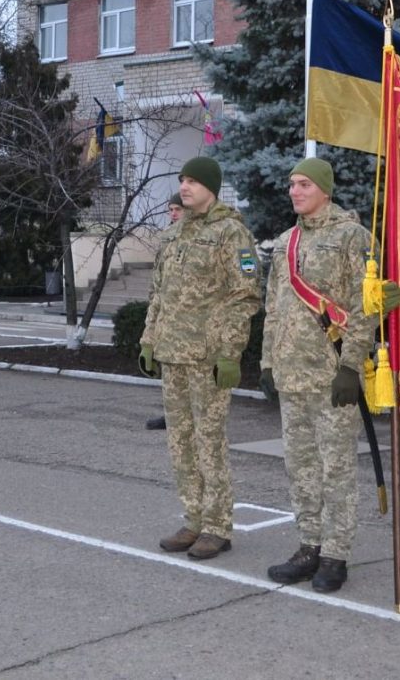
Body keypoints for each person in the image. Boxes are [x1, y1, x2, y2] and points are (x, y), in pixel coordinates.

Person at [261, 158, 378, 593]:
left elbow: (363, 305)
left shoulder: (352, 237)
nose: (294, 191)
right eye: (291, 184)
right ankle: (309, 543)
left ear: (324, 190)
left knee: (336, 468)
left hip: (332, 376)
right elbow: (273, 306)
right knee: (301, 466)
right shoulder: (285, 242)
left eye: (304, 184)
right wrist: (267, 362)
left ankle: (335, 553)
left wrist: (351, 365)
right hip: (292, 373)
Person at [138, 158, 262, 560]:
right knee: (181, 442)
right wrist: (148, 340)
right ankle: (193, 518)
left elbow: (244, 296)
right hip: (173, 354)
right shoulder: (173, 234)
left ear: (211, 186)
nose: (185, 187)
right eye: (182, 180)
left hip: (207, 358)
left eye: (192, 181)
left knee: (209, 442)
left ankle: (218, 526)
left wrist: (230, 353)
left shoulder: (231, 233)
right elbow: (158, 293)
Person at [145, 193, 186, 432]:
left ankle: (186, 415)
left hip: (187, 317)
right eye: (170, 209)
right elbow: (159, 275)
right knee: (168, 369)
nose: (173, 214)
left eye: (177, 209)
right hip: (165, 312)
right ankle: (170, 413)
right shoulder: (167, 237)